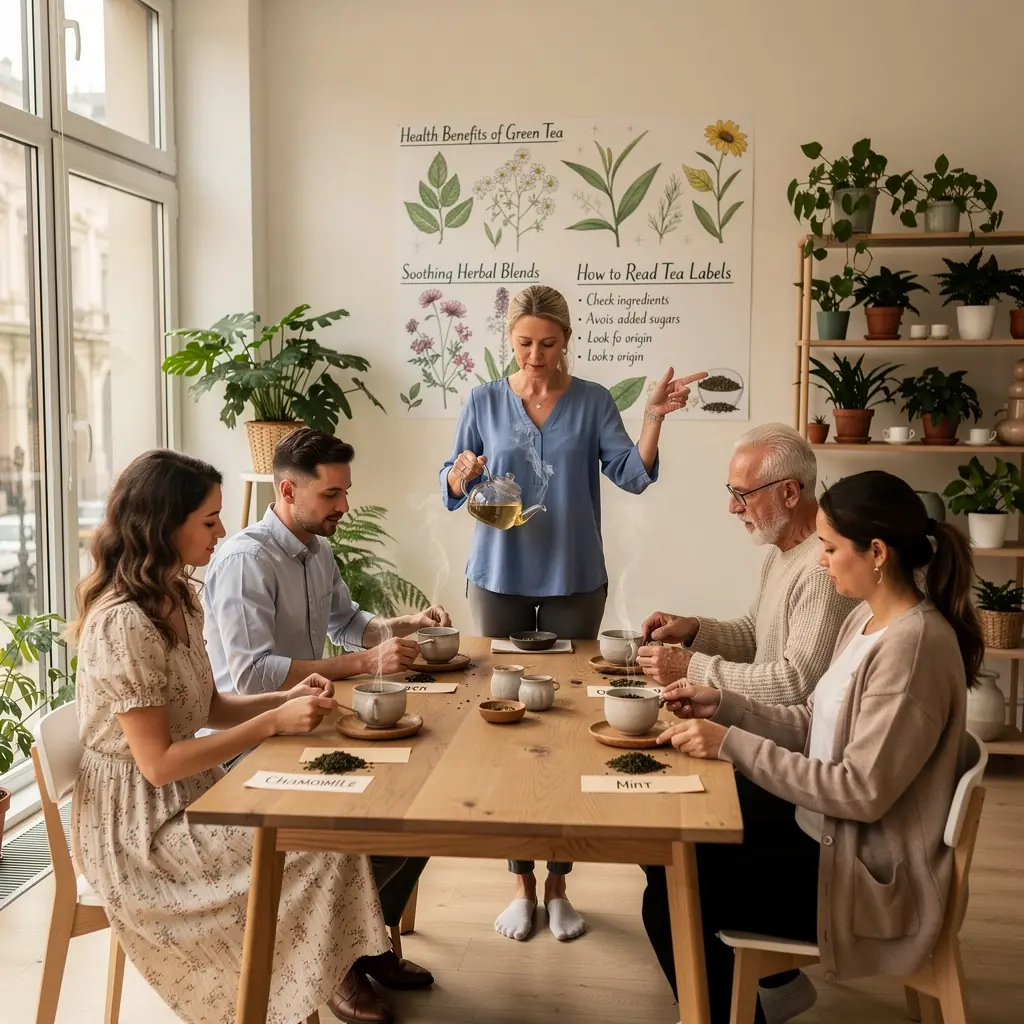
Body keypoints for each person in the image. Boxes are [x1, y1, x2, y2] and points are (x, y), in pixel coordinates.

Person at [641, 470, 981, 1024]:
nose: (819, 562)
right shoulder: (867, 618)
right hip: (831, 832)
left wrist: (731, 744)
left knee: (675, 893)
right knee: (668, 843)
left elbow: (860, 791)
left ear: (876, 553)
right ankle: (762, 995)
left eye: (829, 547)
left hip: (863, 876)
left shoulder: (911, 649)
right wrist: (722, 705)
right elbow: (812, 720)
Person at [68, 450, 391, 1024]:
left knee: (332, 821)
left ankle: (312, 984)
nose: (222, 532)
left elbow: (208, 704)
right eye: (209, 520)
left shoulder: (177, 596)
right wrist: (271, 723)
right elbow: (158, 764)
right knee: (317, 845)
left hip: (190, 793)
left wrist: (283, 700)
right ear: (164, 526)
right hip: (140, 832)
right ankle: (298, 992)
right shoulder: (124, 623)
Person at [440, 283, 705, 944]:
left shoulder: (591, 401)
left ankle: (559, 883)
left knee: (569, 722)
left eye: (548, 343)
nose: (536, 356)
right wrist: (461, 472)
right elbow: (452, 483)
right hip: (498, 576)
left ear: (566, 341)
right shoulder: (483, 399)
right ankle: (520, 884)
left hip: (574, 577)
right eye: (524, 343)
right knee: (505, 722)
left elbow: (632, 474)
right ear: (510, 340)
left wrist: (654, 418)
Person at [203, 428, 446, 1024]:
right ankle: (336, 960)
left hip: (302, 723)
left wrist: (403, 625)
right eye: (332, 494)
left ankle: (365, 940)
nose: (345, 505)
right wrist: (362, 665)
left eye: (345, 491)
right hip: (245, 745)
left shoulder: (316, 548)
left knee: (421, 802)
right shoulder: (245, 561)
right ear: (288, 491)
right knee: (368, 819)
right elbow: (251, 677)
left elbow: (348, 622)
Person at [638, 423, 859, 704]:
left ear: (789, 493)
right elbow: (756, 636)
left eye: (743, 494)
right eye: (732, 492)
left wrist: (689, 667)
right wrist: (693, 628)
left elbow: (797, 684)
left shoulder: (822, 567)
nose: (733, 507)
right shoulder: (782, 551)